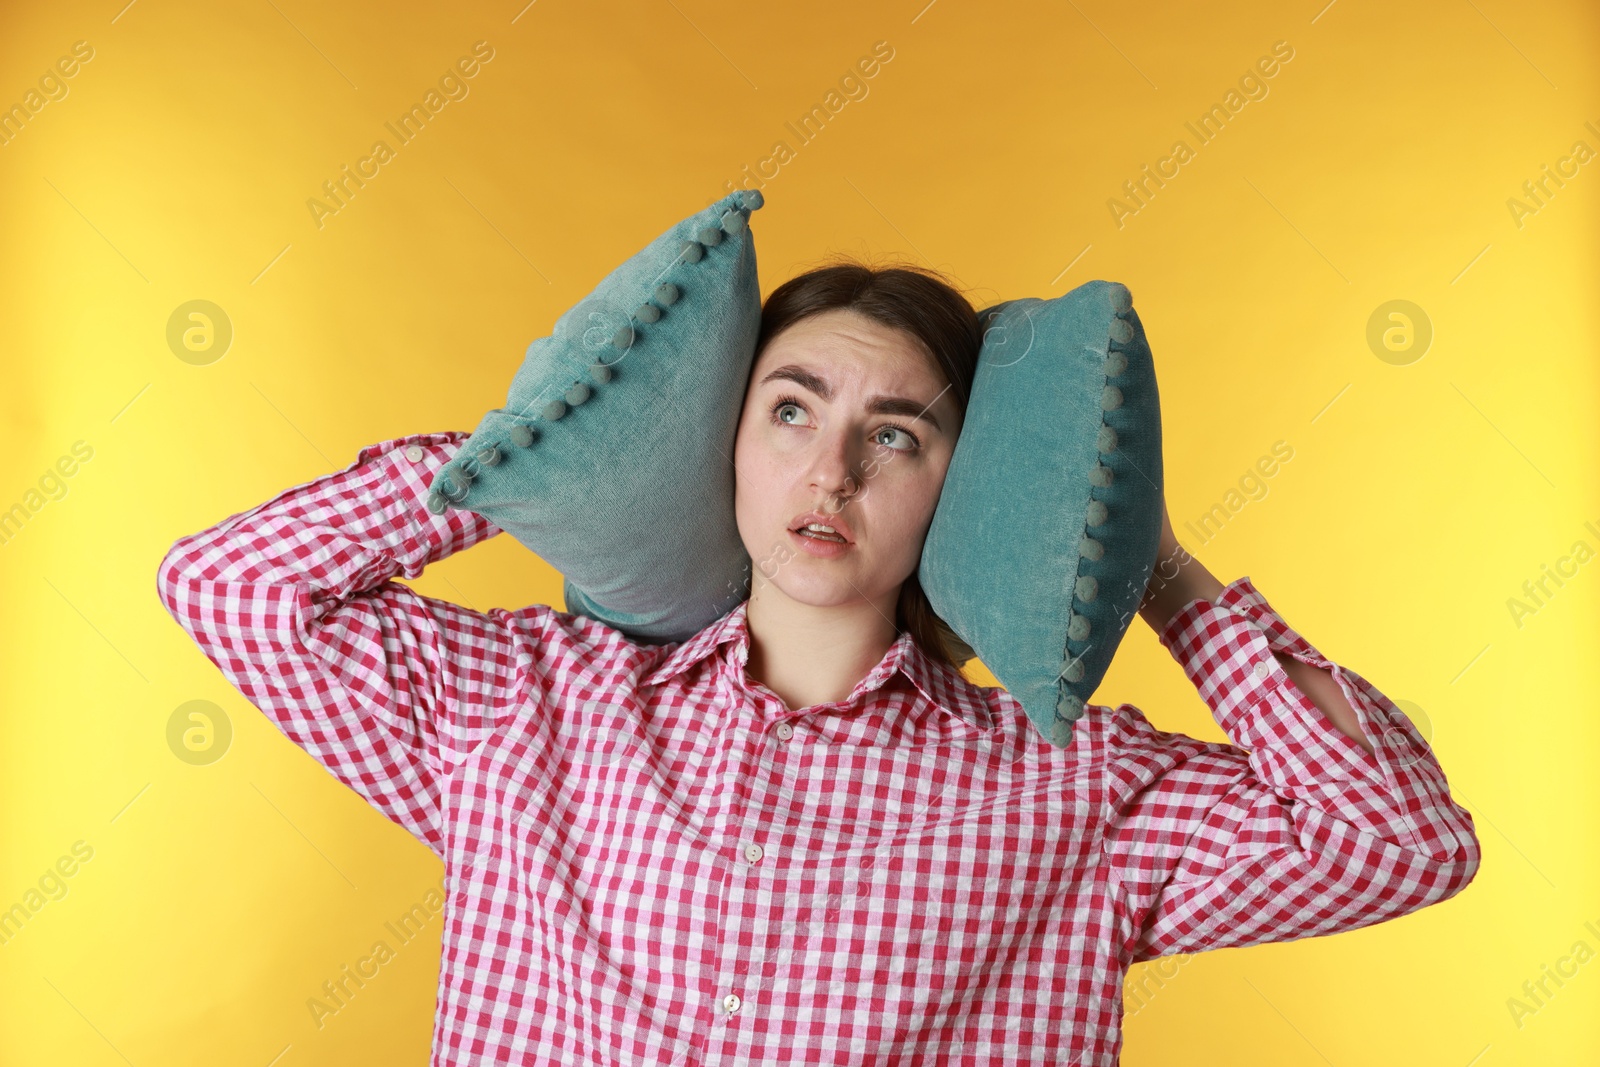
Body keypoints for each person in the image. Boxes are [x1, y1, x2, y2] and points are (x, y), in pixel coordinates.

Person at [156, 259, 1480, 1066]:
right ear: (726, 443)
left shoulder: (1078, 792)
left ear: (965, 489)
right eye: (790, 412)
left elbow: (1404, 844)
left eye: (896, 434)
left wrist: (1155, 567)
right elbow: (233, 587)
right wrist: (540, 457)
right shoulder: (519, 710)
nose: (829, 470)